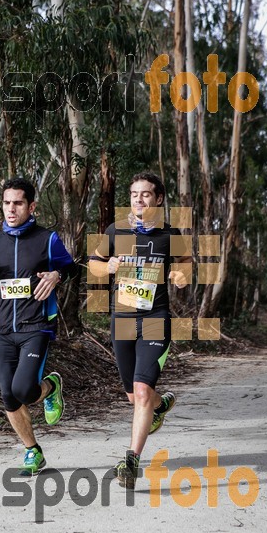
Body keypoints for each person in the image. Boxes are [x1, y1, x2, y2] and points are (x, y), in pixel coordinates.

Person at [88, 171, 191, 488]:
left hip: (155, 319)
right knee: (135, 396)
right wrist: (108, 267)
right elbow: (93, 262)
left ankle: (131, 460)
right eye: (134, 194)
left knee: (142, 390)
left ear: (158, 198)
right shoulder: (115, 230)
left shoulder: (170, 234)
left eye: (145, 194)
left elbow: (186, 262)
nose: (138, 199)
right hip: (122, 321)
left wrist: (180, 276)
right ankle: (160, 406)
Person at [0, 177, 77, 475]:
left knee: (23, 390)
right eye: (6, 203)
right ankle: (33, 450)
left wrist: (57, 275)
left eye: (17, 203)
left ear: (32, 207)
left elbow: (70, 268)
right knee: (8, 394)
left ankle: (51, 385)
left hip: (36, 326)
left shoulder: (48, 240)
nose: (11, 209)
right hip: (3, 329)